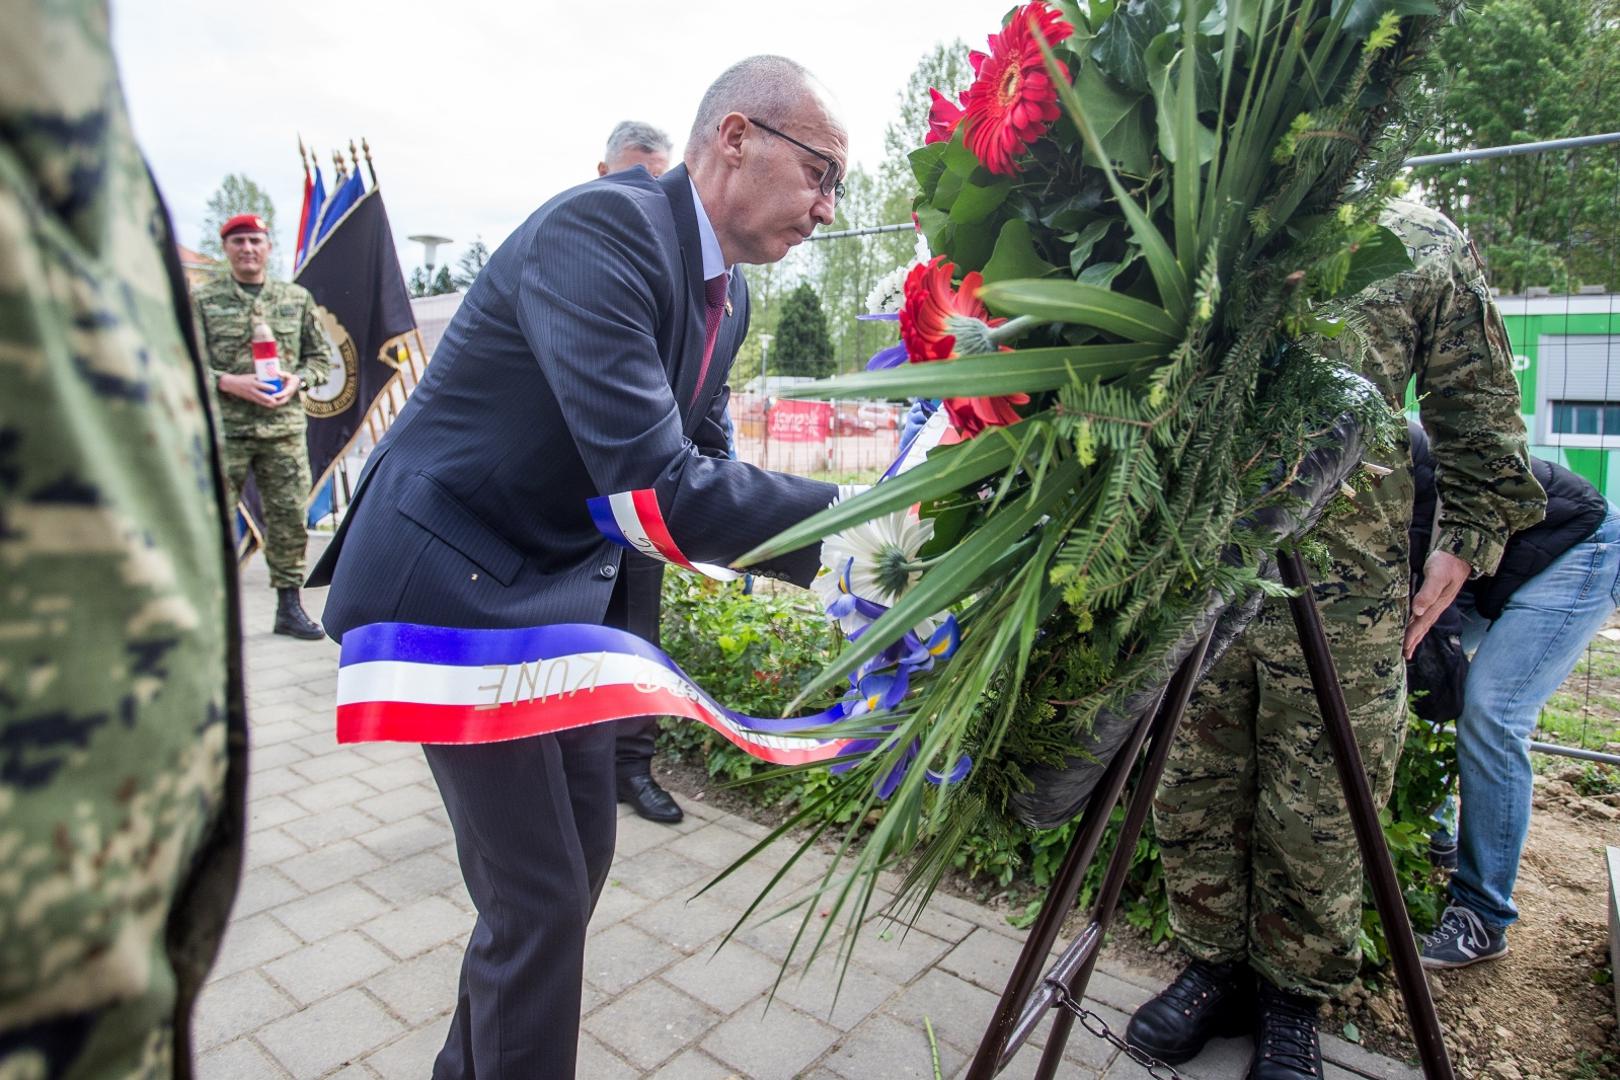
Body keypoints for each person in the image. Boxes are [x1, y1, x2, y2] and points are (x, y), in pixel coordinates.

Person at [308, 55, 847, 1078]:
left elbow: (706, 462)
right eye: (821, 172)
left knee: (577, 861)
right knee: (539, 895)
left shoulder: (724, 299)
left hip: (546, 590)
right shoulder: (601, 233)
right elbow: (658, 485)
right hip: (449, 582)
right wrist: (858, 520)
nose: (826, 208)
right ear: (735, 136)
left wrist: (803, 523)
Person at [1125, 200, 1546, 1079]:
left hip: (1344, 586)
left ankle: (1292, 996)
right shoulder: (1207, 201)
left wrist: (1466, 541)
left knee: (1322, 801)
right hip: (1203, 567)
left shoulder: (1418, 239)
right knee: (1194, 776)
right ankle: (1214, 969)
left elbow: (1477, 399)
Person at [0, 3, 246, 1075]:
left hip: (125, 997)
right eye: (235, 235)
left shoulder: (85, 101)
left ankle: (287, 593)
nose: (246, 247)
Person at [1405, 422, 1620, 969]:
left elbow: (1430, 603)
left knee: (1491, 712)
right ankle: (1439, 835)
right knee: (1410, 680)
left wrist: (1436, 674)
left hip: (1578, 547)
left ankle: (1483, 913)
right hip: (1495, 565)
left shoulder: (1404, 464)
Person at [593, 119, 689, 825]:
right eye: (633, 176)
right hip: (570, 517)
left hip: (645, 508)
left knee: (639, 643)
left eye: (659, 179)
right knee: (568, 652)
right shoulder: (576, 255)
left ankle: (634, 769)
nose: (646, 194)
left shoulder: (689, 277)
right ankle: (580, 774)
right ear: (601, 175)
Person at [192, 215, 334, 639]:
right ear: (227, 249)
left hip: (283, 430)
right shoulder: (204, 301)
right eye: (238, 242)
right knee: (210, 516)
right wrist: (228, 381)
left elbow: (320, 360)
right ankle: (209, 611)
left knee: (289, 518)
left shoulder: (296, 299)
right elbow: (185, 361)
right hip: (226, 430)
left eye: (254, 240)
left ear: (268, 247)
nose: (247, 248)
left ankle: (288, 608)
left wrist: (298, 380)